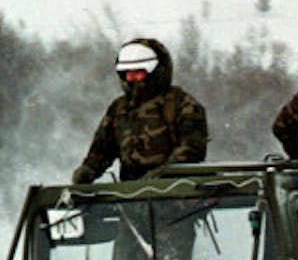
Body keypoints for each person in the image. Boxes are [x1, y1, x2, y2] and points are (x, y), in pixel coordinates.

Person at [71, 38, 209, 184]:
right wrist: (87, 171)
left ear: (155, 71)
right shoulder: (119, 109)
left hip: (174, 194)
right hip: (129, 196)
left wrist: (161, 176)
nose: (131, 78)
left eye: (138, 72)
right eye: (127, 73)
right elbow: (102, 150)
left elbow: (192, 150)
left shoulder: (181, 104)